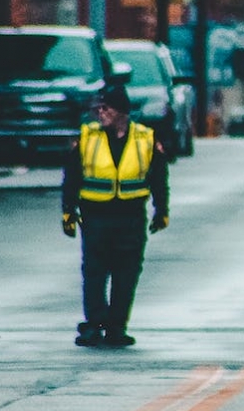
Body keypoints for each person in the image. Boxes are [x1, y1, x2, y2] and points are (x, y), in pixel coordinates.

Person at [62, 85, 170, 347]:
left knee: (127, 274)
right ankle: (94, 325)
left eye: (105, 108)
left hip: (131, 218)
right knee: (95, 273)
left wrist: (161, 211)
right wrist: (68, 211)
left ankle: (117, 327)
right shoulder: (87, 138)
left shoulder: (145, 139)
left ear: (122, 111)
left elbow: (158, 177)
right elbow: (72, 177)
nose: (100, 113)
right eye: (97, 108)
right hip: (96, 216)